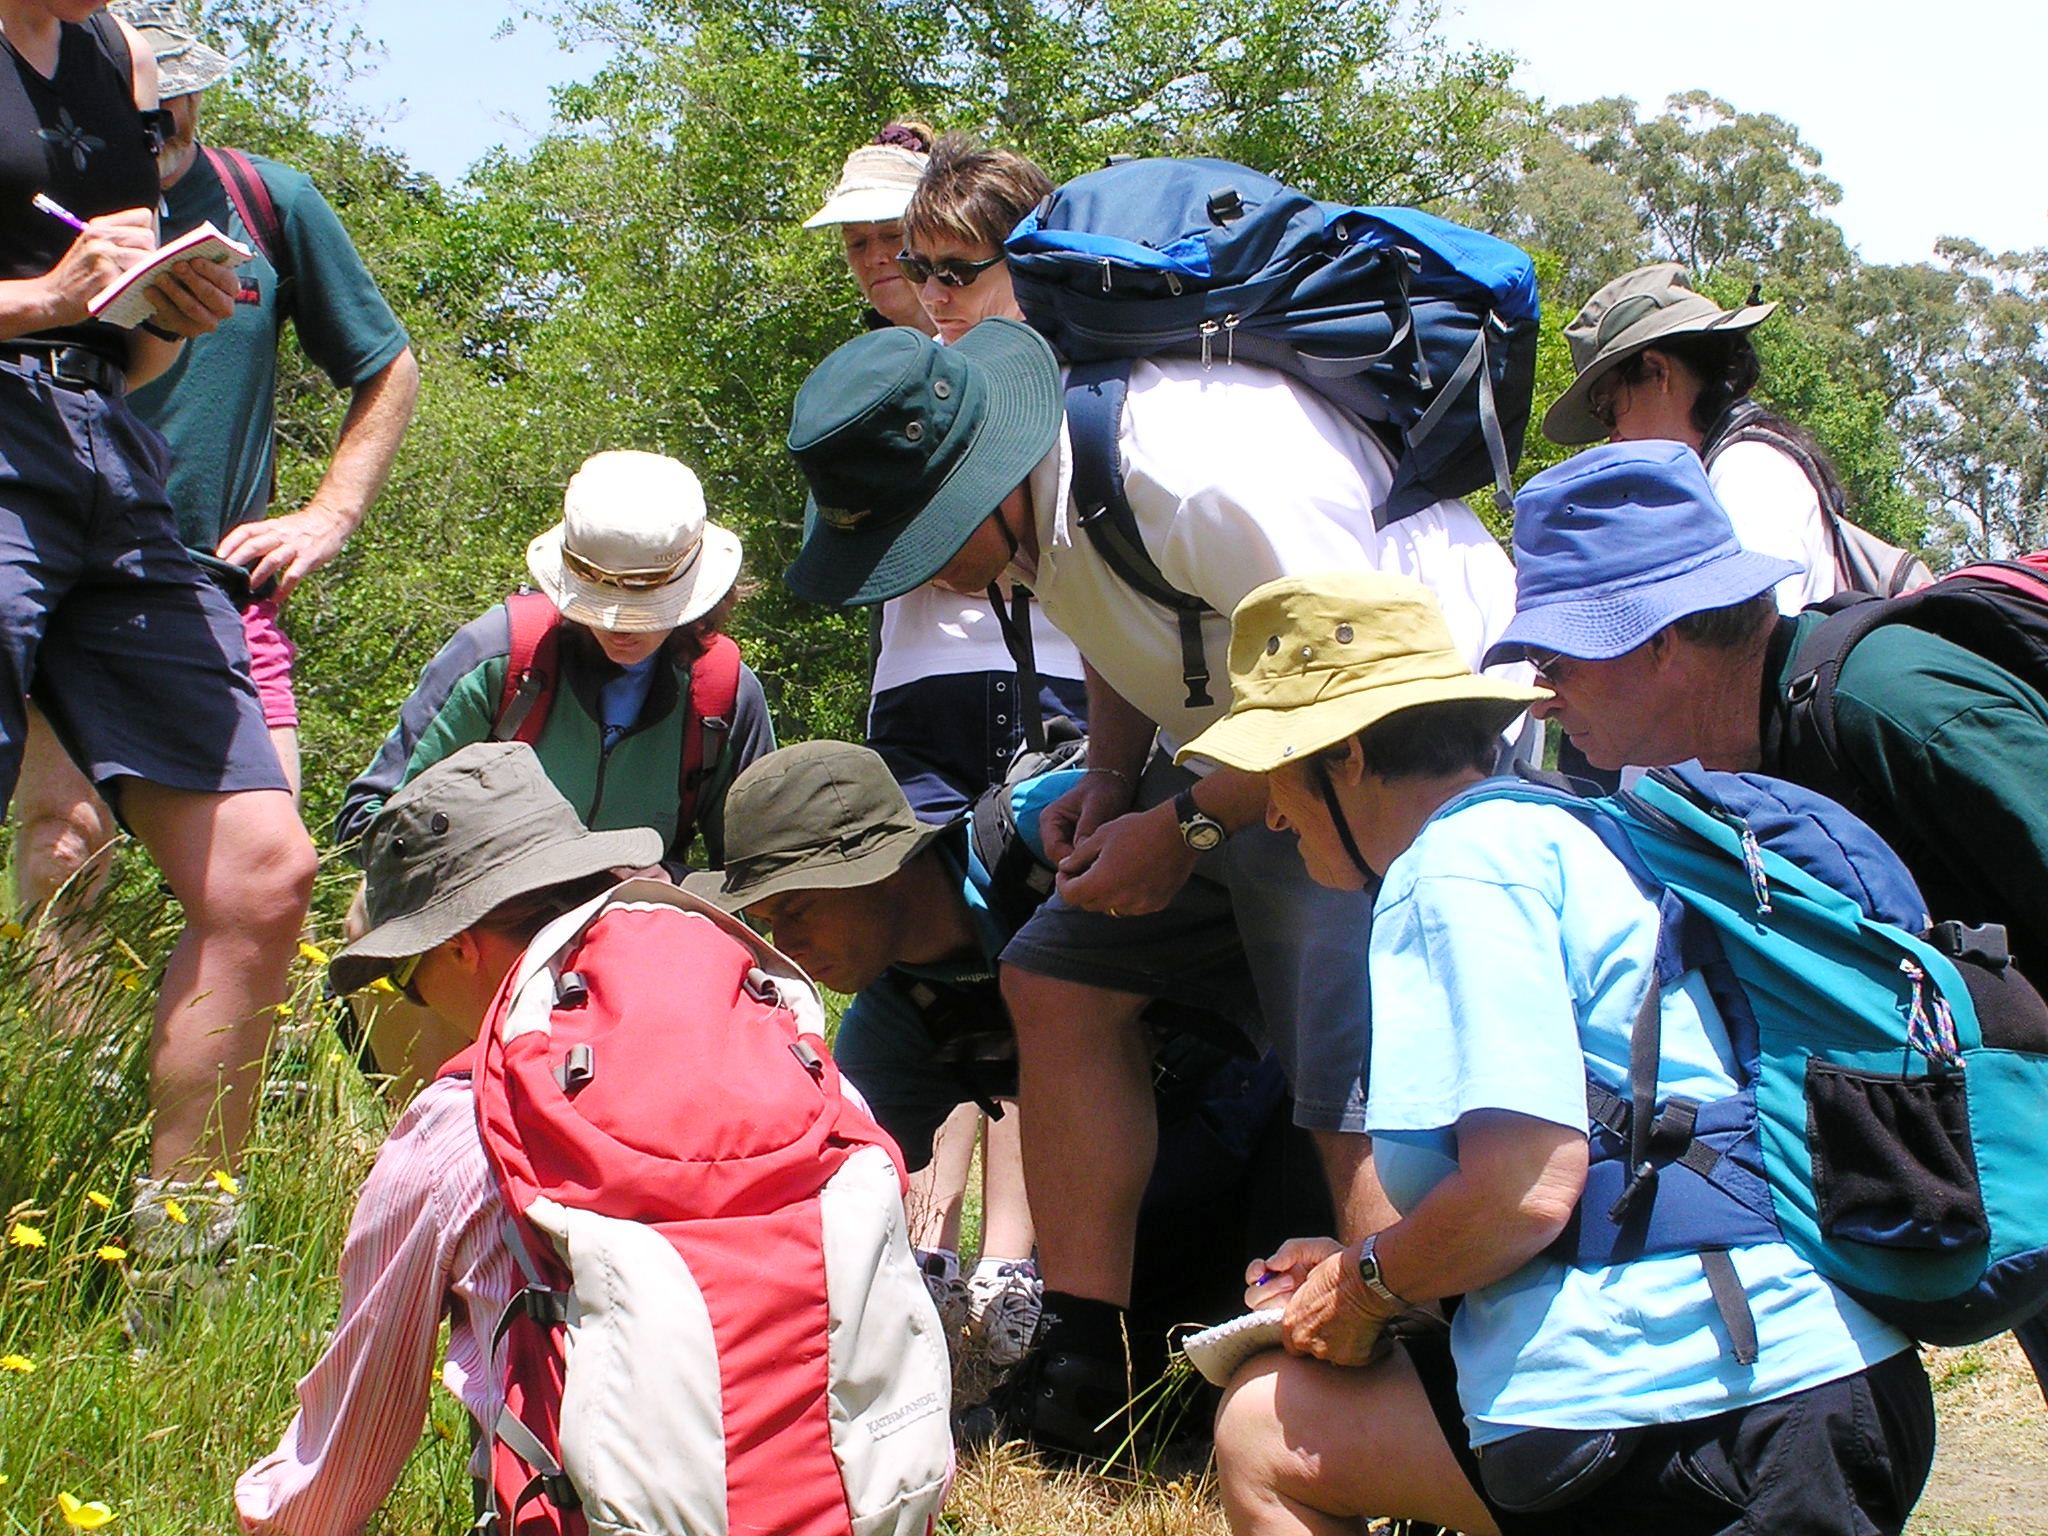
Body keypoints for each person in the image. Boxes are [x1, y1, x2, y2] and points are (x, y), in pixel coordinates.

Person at [782, 314, 1521, 1451]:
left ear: (972, 485)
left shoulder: (1184, 478)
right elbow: (1130, 639)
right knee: (1053, 975)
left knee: (1339, 1063)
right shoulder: (1036, 515)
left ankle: (1414, 1378)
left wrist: (1179, 826)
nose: (919, 577)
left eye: (917, 542)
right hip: (1241, 761)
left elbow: (1350, 682)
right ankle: (1085, 1363)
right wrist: (1115, 777)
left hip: (1390, 749)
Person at [1178, 569, 1932, 1536]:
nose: (1271, 813)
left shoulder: (1449, 869)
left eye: (1278, 769)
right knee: (1263, 1433)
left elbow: (1528, 1189)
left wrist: (1365, 1289)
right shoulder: (1575, 826)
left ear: (1350, 756)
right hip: (1829, 1378)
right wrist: (1364, 1262)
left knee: (1265, 1435)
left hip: (1686, 1420)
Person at [1491, 437, 2048, 1397]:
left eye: (1556, 656)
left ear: (1656, 639)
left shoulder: (1897, 707)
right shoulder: (1732, 790)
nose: (1545, 691)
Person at [686, 738, 1328, 1393]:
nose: (784, 945)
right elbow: (821, 1186)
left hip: (1302, 1102)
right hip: (1165, 1186)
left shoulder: (1052, 825)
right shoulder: (896, 1020)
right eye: (766, 921)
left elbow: (1291, 830)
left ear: (881, 866)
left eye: (797, 908)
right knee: (1157, 1377)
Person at [0, 0, 315, 1265]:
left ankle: (182, 1270)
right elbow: (46, 296)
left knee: (260, 871)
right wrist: (39, 298)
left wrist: (154, 314)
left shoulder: (108, 54)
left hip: (103, 450)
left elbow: (107, 346)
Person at [13, 0, 418, 967]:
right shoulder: (37, 192)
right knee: (68, 838)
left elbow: (387, 361)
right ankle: (69, 1070)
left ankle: (246, 1079)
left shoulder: (265, 200)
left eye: (168, 107)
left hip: (215, 582)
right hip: (36, 530)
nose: (153, 129)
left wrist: (329, 515)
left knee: (270, 865)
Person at [807, 123, 1086, 1343]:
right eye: (903, 264)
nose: (921, 288)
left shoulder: (1074, 377)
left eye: (946, 266)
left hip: (1075, 679)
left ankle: (1022, 1266)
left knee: (1050, 965)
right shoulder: (881, 382)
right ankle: (911, 1238)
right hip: (922, 684)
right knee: (925, 951)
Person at [237, 742, 665, 1532]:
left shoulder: (457, 1128)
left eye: (404, 972)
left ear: (461, 947)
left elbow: (339, 1462)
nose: (413, 998)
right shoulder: (761, 1034)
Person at [335, 449, 774, 1090]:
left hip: (638, 933)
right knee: (372, 917)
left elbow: (759, 878)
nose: (622, 625)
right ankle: (439, 1133)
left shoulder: (723, 693)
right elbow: (368, 822)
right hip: (484, 927)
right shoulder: (502, 658)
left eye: (647, 596)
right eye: (601, 592)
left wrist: (667, 879)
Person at [1543, 261, 1841, 612]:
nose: (1613, 437)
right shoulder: (1728, 469)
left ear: (1658, 372)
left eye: (1608, 408)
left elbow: (1752, 637)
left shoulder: (1749, 471)